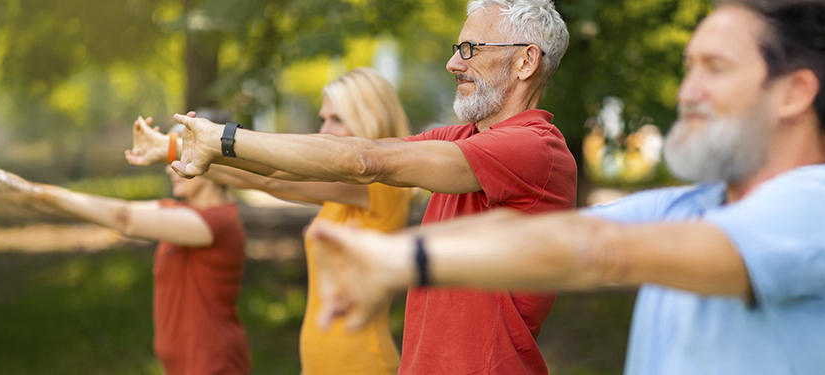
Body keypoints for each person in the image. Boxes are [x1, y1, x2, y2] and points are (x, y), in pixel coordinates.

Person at [304, 1, 825, 374]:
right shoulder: (698, 204)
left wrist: (404, 258)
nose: (686, 92)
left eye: (714, 69)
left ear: (794, 93)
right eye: (688, 67)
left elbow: (599, 252)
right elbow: (568, 234)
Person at [151, 1, 575, 373]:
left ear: (525, 61)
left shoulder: (534, 148)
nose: (454, 64)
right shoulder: (462, 138)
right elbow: (288, 172)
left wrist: (225, 139)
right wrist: (182, 146)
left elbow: (364, 160)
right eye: (455, 50)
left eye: (470, 49)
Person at [126, 68, 415, 374]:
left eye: (337, 119)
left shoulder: (376, 186)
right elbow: (261, 177)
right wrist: (172, 149)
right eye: (323, 119)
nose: (326, 130)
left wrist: (183, 146)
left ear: (370, 119)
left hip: (361, 363)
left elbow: (272, 179)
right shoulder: (343, 195)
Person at [0, 166, 251, 375]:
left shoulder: (218, 223)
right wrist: (23, 196)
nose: (171, 167)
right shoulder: (179, 212)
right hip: (182, 364)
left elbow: (124, 219)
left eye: (182, 155)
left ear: (216, 164)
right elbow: (104, 212)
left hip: (213, 364)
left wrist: (40, 193)